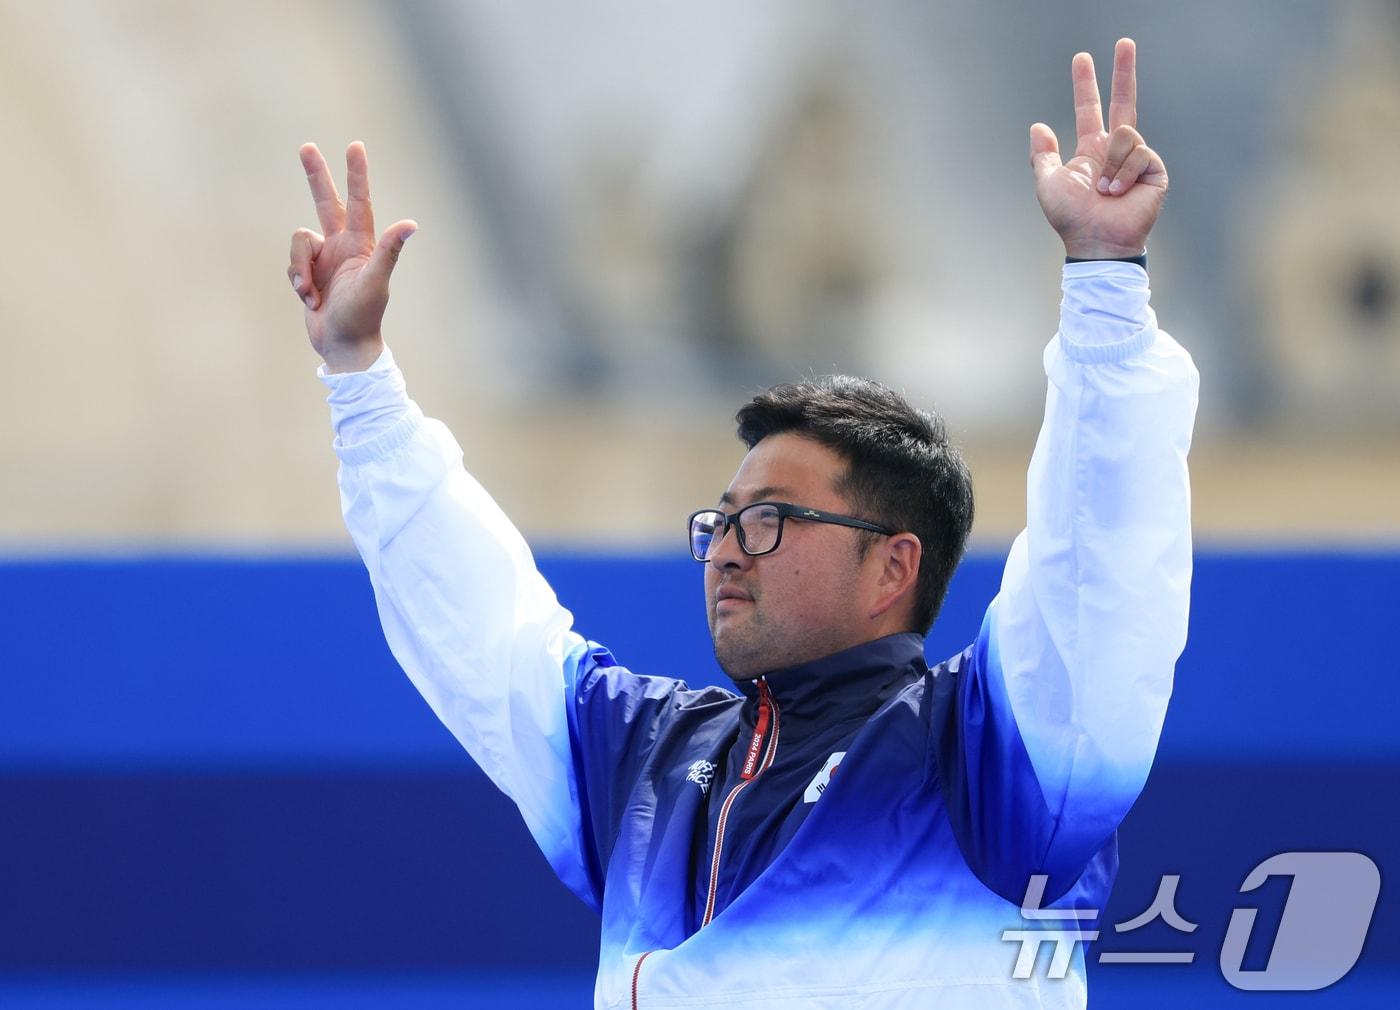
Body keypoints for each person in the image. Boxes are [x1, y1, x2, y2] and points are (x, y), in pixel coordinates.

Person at [287, 38, 1197, 1010]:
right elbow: (478, 624)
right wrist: (359, 376)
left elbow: (1096, 574)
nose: (724, 548)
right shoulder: (644, 755)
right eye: (717, 521)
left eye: (766, 519)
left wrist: (1103, 282)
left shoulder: (991, 760)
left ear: (893, 564)